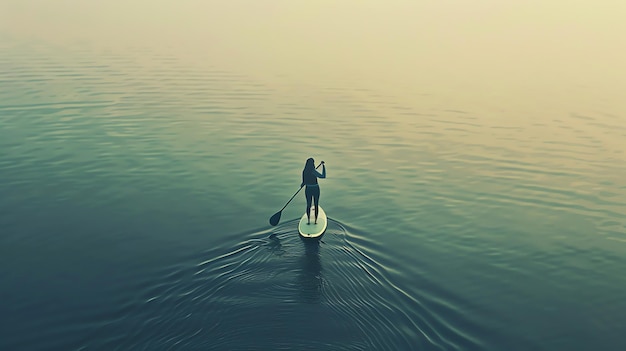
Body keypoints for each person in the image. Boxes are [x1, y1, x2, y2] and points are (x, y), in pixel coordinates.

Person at [301, 158, 326, 225]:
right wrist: (323, 166)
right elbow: (323, 176)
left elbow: (303, 183)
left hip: (308, 189)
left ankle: (308, 221)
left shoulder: (304, 171)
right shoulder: (313, 171)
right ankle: (315, 221)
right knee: (316, 204)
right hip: (315, 189)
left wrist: (303, 184)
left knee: (308, 205)